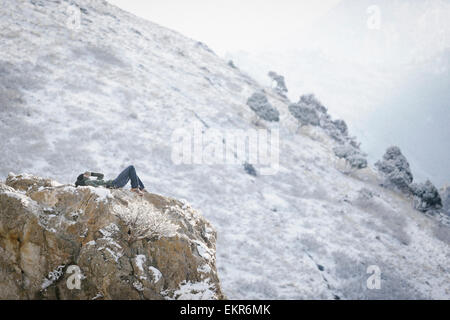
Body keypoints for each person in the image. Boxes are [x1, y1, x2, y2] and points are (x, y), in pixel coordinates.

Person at [75, 165, 146, 195]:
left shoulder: (93, 181)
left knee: (132, 173)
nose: (87, 175)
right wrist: (104, 187)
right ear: (83, 178)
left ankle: (141, 188)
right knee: (131, 168)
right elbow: (96, 186)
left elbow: (101, 175)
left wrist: (91, 173)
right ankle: (135, 188)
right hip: (114, 183)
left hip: (115, 184)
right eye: (85, 175)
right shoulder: (87, 182)